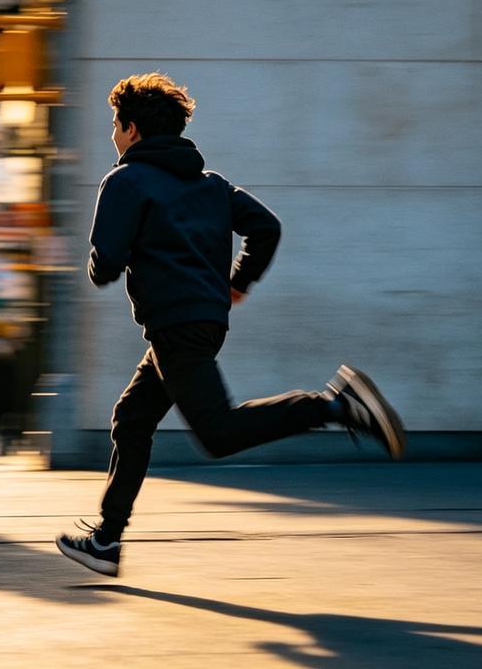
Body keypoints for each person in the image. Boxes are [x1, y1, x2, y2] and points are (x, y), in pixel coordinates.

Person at [55, 73, 407, 576]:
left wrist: (101, 254)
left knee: (218, 434)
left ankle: (337, 405)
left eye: (115, 124)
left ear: (132, 129)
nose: (112, 134)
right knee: (132, 418)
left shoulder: (124, 180)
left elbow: (105, 266)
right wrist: (237, 283)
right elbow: (266, 226)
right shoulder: (211, 185)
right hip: (199, 323)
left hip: (176, 328)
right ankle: (107, 540)